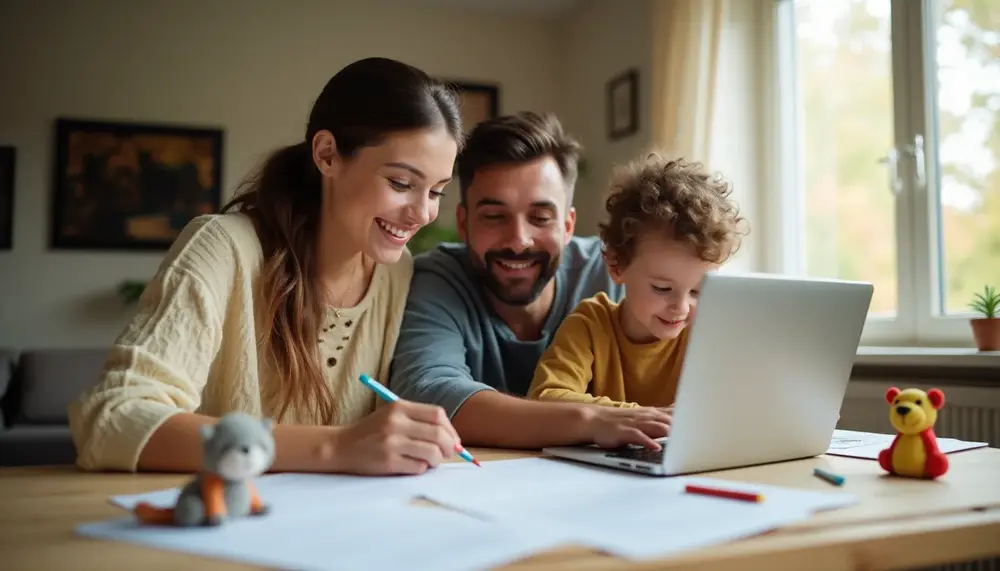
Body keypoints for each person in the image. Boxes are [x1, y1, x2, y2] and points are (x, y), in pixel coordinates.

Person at [68, 57, 465, 476]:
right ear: (327, 154)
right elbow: (111, 419)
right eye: (401, 184)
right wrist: (335, 447)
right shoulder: (224, 248)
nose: (422, 214)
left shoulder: (396, 271)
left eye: (436, 191)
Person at [389, 112, 673, 450]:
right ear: (463, 223)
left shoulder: (618, 273)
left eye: (540, 218)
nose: (519, 240)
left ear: (568, 225)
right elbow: (429, 393)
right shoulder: (438, 280)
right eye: (495, 217)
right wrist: (590, 420)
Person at [527, 154, 748, 408]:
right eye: (662, 288)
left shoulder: (706, 334)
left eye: (698, 292)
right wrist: (639, 417)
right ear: (616, 265)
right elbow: (545, 398)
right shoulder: (590, 326)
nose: (681, 307)